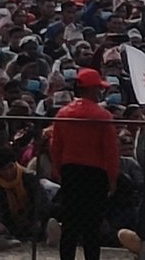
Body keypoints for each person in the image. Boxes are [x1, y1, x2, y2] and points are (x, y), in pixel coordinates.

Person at [51, 68, 120, 260]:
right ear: (92, 90)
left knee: (70, 223)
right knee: (92, 224)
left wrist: (58, 171)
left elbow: (56, 146)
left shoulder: (63, 114)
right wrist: (112, 178)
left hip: (70, 171)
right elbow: (111, 151)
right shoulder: (103, 116)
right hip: (95, 174)